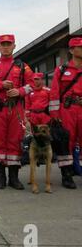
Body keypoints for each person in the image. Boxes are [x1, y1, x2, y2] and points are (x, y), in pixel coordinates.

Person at [0, 34, 34, 190]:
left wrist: (19, 91)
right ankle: (0, 177)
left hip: (15, 108)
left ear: (14, 46)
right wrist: (0, 85)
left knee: (15, 141)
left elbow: (31, 85)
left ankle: (14, 178)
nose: (5, 47)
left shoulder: (23, 66)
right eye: (2, 44)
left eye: (8, 44)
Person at [49, 37, 82, 189]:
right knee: (66, 143)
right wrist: (55, 115)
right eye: (79, 47)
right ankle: (67, 176)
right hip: (67, 110)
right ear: (71, 50)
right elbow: (54, 93)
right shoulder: (62, 70)